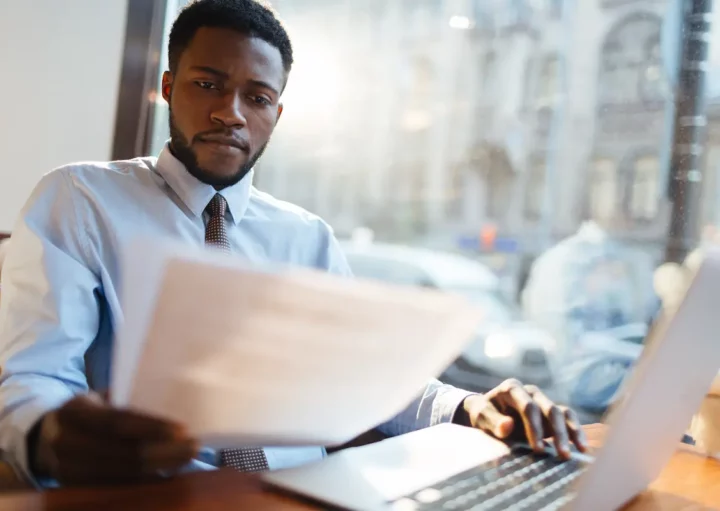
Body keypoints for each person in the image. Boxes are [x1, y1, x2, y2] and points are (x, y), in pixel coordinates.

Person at [0, 0, 587, 487]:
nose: (230, 113)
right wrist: (49, 435)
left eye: (256, 98)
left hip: (305, 493)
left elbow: (362, 374)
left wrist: (467, 405)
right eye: (208, 84)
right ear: (168, 88)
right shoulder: (80, 198)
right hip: (158, 493)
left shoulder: (306, 237)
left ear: (276, 114)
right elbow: (31, 375)